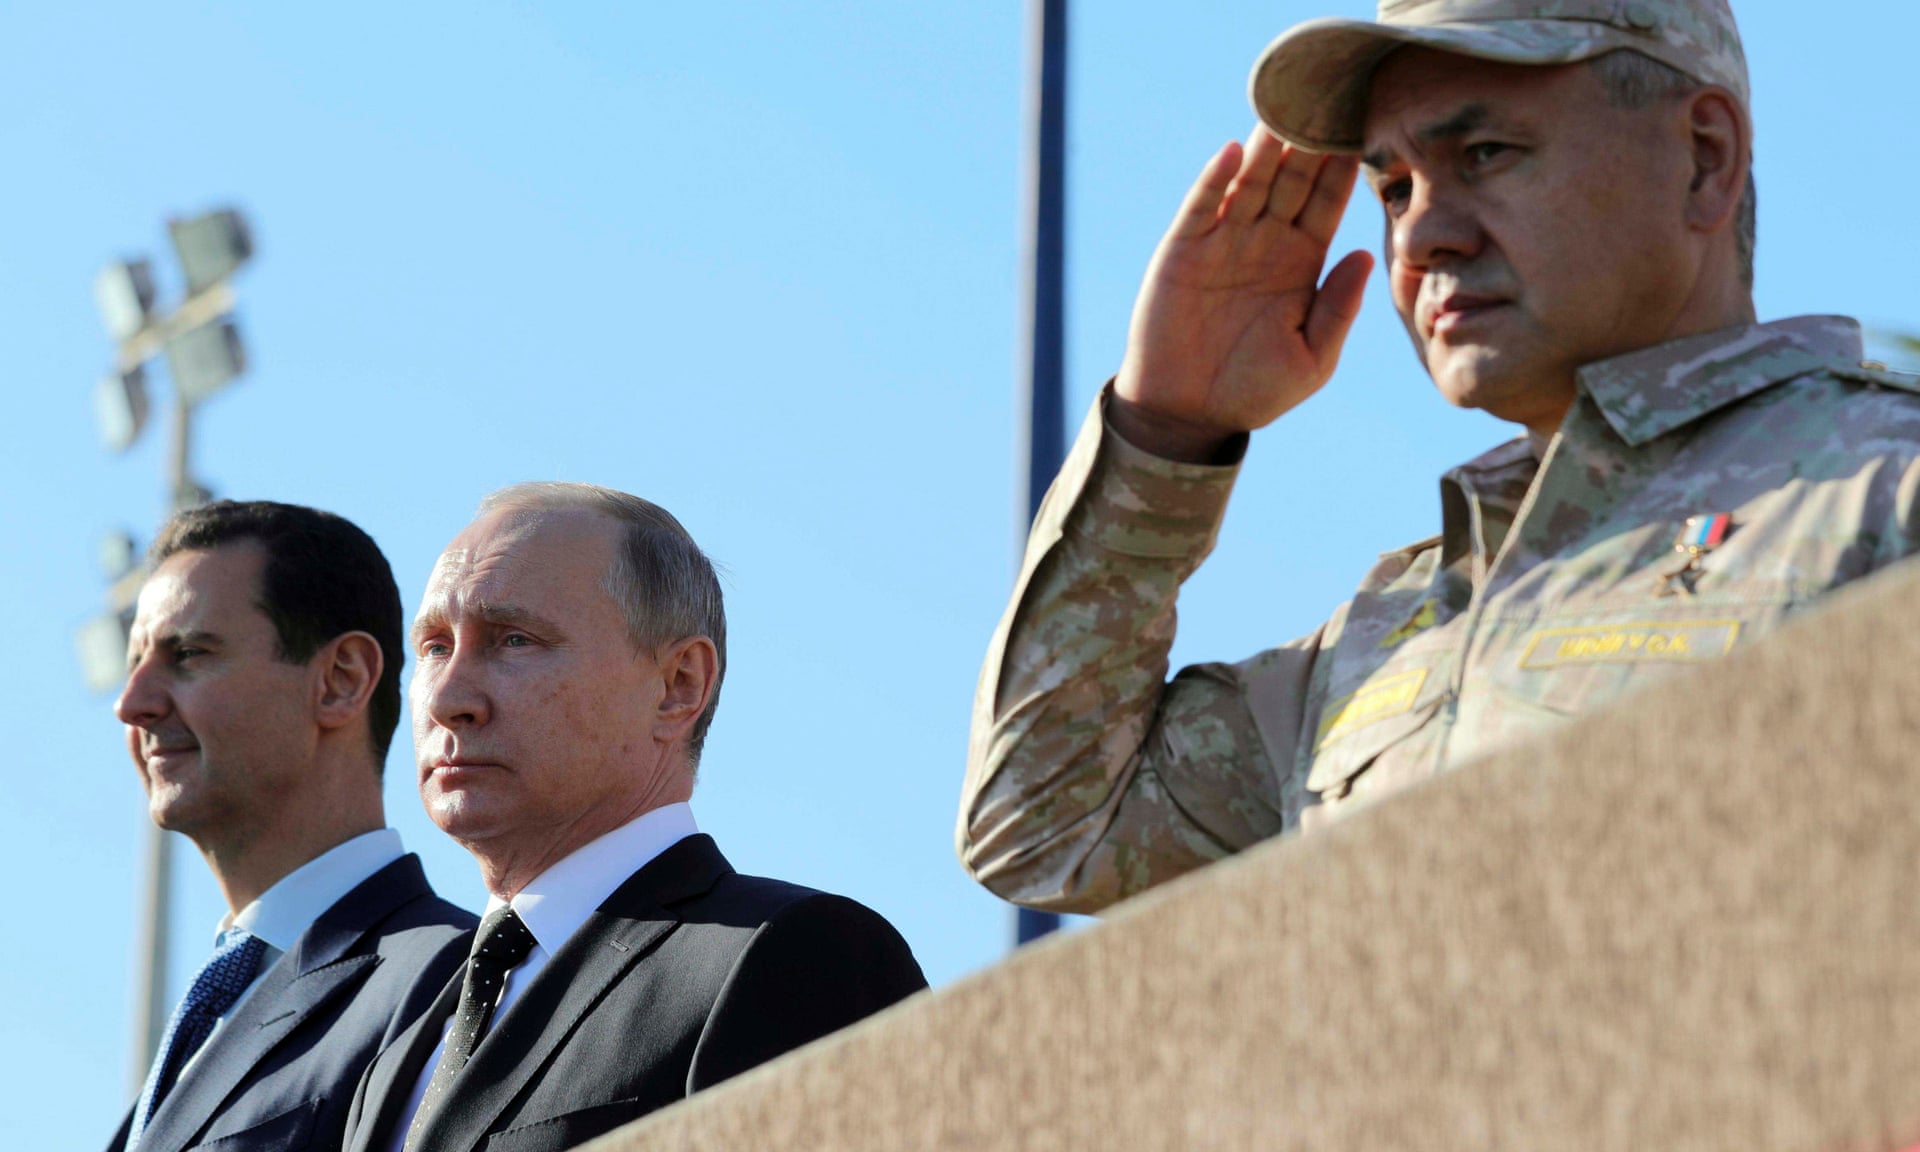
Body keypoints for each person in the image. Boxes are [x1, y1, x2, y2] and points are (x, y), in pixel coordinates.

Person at [959, 0, 1920, 915]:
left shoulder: (1884, 494)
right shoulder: (1390, 635)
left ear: (1704, 161)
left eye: (1487, 154)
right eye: (1393, 188)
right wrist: (1163, 429)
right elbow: (1044, 823)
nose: (1422, 235)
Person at [344, 483, 926, 1152]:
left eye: (514, 640)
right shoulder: (404, 1036)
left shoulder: (797, 959)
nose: (448, 698)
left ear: (678, 685)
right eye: (436, 646)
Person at [108, 501, 476, 1152]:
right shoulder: (205, 1021)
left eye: (189, 653)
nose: (132, 703)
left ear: (341, 680)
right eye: (135, 661)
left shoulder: (458, 985)